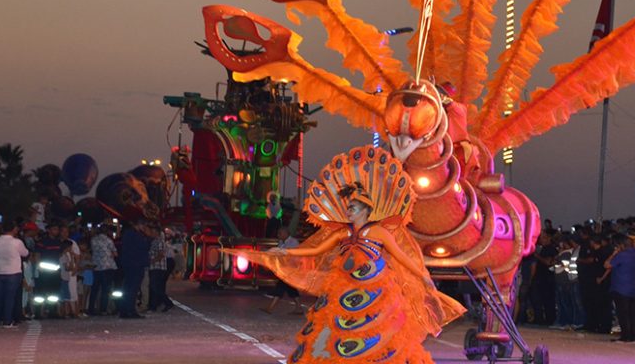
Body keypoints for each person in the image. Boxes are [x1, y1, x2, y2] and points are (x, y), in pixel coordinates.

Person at [225, 147, 464, 363]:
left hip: (377, 293)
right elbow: (315, 250)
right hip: (344, 290)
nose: (348, 210)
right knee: (328, 330)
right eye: (348, 207)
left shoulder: (379, 231)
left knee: (379, 335)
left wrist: (422, 277)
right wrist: (284, 251)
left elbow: (402, 257)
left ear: (366, 210)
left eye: (353, 207)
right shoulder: (344, 233)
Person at [606, 234, 635, 343]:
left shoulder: (621, 255)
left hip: (621, 288)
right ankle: (632, 335)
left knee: (623, 313)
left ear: (621, 246)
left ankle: (626, 335)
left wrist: (614, 254)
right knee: (633, 314)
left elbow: (607, 265)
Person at [0, 223, 29, 328]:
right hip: (12, 271)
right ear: (14, 229)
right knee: (9, 297)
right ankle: (7, 321)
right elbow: (25, 253)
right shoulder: (17, 242)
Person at [262, 227, 302, 314]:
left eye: (280, 233)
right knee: (290, 288)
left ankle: (270, 308)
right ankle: (299, 308)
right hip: (284, 269)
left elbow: (290, 255)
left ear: (285, 233)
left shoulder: (293, 242)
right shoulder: (281, 242)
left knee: (281, 287)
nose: (278, 235)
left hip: (291, 269)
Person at [118, 221, 148, 319]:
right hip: (136, 264)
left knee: (127, 287)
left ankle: (125, 310)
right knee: (133, 288)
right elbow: (143, 247)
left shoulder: (128, 234)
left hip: (129, 264)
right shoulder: (135, 235)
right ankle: (130, 310)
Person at [88, 225, 117, 316]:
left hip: (96, 266)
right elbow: (115, 253)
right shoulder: (108, 240)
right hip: (107, 267)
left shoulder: (93, 240)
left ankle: (91, 309)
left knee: (94, 289)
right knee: (105, 289)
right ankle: (103, 309)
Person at [146, 222, 172, 313]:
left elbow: (161, 254)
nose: (150, 233)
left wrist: (152, 261)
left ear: (156, 232)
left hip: (158, 267)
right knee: (155, 287)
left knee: (155, 287)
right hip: (154, 267)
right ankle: (156, 305)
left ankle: (164, 303)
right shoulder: (153, 241)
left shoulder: (159, 241)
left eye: (152, 231)